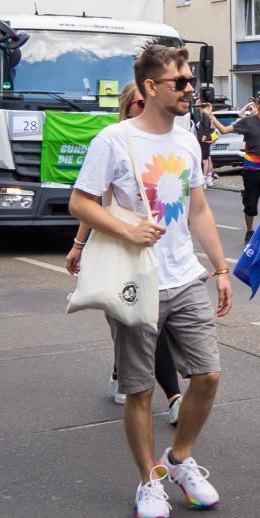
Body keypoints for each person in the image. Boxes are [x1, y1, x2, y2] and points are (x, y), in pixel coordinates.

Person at [70, 44, 232, 518]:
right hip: (136, 279)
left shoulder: (185, 141)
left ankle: (179, 461)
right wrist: (126, 229)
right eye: (178, 82)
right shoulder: (114, 141)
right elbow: (82, 202)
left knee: (207, 374)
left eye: (190, 81)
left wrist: (220, 269)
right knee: (139, 388)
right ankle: (148, 481)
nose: (188, 89)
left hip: (184, 275)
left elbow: (198, 209)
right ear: (149, 88)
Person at [72, 84, 188, 423]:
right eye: (140, 102)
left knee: (152, 321)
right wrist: (79, 245)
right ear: (130, 106)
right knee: (127, 315)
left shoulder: (173, 142)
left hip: (164, 255)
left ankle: (174, 395)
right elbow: (92, 203)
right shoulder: (115, 144)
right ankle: (124, 368)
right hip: (124, 247)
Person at [219, 94, 260, 241]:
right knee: (250, 204)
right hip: (251, 171)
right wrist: (210, 116)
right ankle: (249, 231)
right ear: (258, 105)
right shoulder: (248, 122)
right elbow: (224, 130)